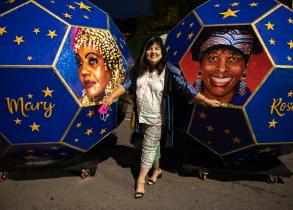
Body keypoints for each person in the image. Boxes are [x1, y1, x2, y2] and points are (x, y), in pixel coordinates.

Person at [102, 36, 221, 199]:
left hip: (158, 118)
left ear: (162, 51)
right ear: (144, 52)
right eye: (150, 48)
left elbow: (186, 88)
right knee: (151, 144)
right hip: (140, 117)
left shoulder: (169, 69)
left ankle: (141, 180)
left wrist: (206, 100)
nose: (153, 51)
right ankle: (157, 170)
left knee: (148, 147)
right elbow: (125, 85)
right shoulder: (137, 70)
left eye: (157, 48)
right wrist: (110, 98)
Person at [194, 29, 254, 105]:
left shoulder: (255, 107)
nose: (222, 69)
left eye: (233, 59)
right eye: (213, 58)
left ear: (244, 69)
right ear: (200, 65)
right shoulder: (180, 100)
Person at [72, 27, 125, 106]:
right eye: (79, 63)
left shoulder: (121, 105)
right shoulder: (76, 106)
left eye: (92, 61)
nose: (83, 71)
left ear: (112, 64)